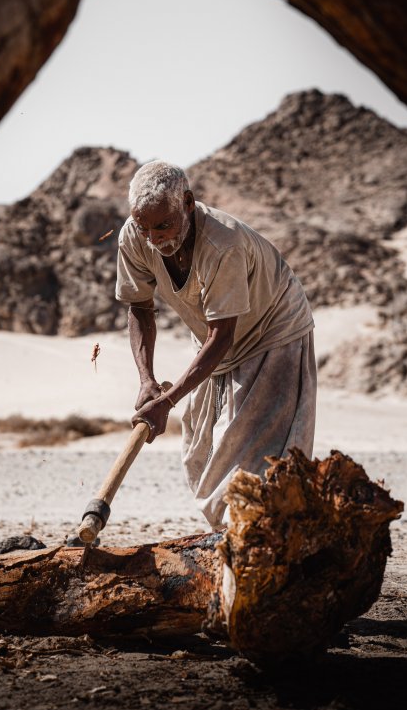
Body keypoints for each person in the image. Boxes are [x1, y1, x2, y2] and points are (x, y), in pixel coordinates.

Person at [115, 160, 316, 529]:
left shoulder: (224, 245)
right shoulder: (134, 237)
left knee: (251, 455)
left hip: (272, 331)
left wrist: (169, 399)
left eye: (163, 225)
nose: (154, 238)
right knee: (202, 452)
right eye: (145, 227)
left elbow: (223, 335)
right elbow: (140, 308)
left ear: (188, 203)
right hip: (212, 340)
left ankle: (255, 540)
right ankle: (231, 535)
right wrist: (147, 380)